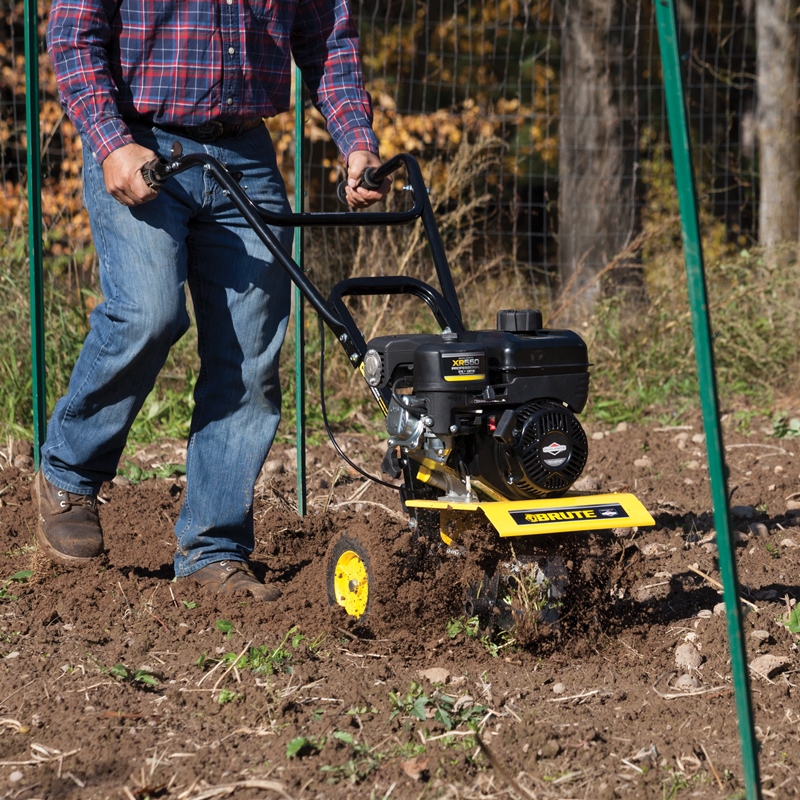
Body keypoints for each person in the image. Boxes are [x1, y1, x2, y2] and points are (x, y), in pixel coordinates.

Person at [39, 0, 388, 600]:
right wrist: (109, 140)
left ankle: (213, 548)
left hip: (246, 153)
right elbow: (73, 34)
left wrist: (356, 138)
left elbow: (326, 35)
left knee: (250, 356)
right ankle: (69, 474)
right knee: (148, 312)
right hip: (139, 142)